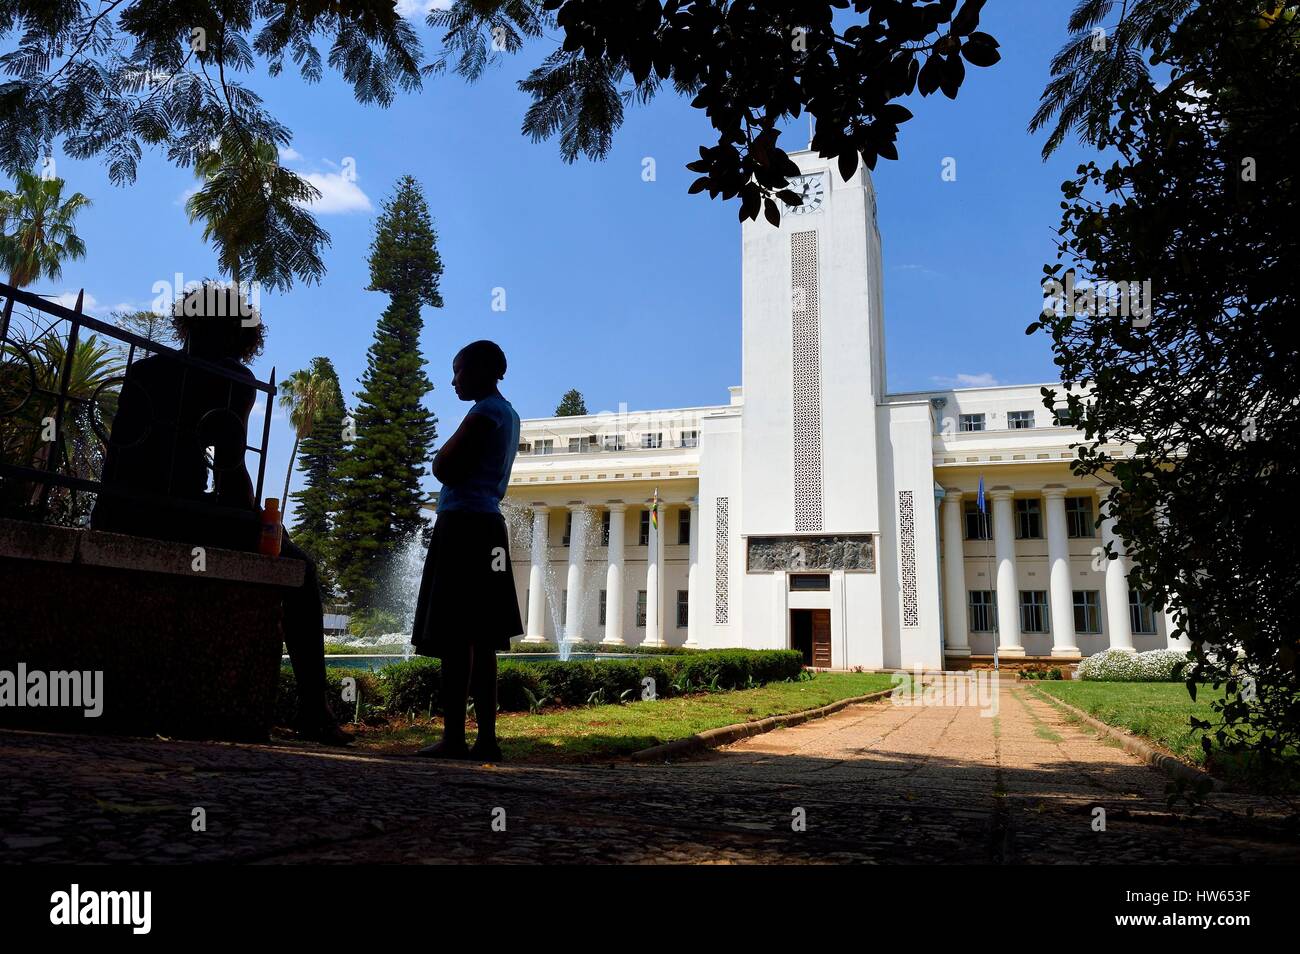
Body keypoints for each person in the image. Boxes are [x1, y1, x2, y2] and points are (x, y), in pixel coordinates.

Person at [92, 281, 350, 746]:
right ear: (243, 334)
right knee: (302, 571)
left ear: (186, 322)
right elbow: (231, 473)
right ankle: (315, 709)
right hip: (183, 514)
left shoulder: (147, 371)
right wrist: (261, 522)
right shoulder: (231, 380)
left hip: (122, 511)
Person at [411, 340, 523, 761]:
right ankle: (487, 739)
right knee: (484, 636)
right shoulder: (509, 414)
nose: (453, 379)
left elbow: (444, 467)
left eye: (458, 371)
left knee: (456, 635)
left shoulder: (483, 413)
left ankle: (455, 736)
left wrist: (441, 459)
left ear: (480, 370)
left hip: (463, 526)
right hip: (488, 524)